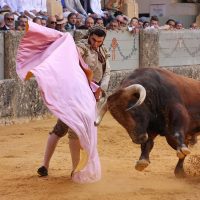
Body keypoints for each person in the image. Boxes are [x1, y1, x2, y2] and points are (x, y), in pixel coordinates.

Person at [37, 25, 111, 178]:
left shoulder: (102, 51)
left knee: (67, 129)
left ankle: (59, 167)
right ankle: (64, 168)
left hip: (90, 96)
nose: (96, 43)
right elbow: (73, 57)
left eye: (99, 41)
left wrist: (101, 89)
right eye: (94, 40)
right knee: (71, 130)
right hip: (75, 94)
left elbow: (107, 72)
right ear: (89, 35)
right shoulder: (81, 47)